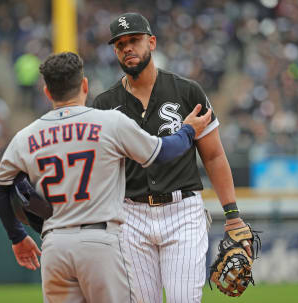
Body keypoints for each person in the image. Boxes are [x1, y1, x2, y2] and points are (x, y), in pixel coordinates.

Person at [0, 52, 212, 303]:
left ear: (47, 92)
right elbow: (162, 152)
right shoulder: (109, 123)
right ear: (84, 85)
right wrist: (188, 130)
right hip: (100, 241)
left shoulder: (25, 137)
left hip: (54, 245)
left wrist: (17, 237)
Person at [92, 12, 252, 303]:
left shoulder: (187, 91)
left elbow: (214, 155)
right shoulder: (104, 105)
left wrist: (232, 214)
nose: (127, 48)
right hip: (130, 215)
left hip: (182, 212)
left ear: (151, 42)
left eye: (134, 40)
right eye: (120, 44)